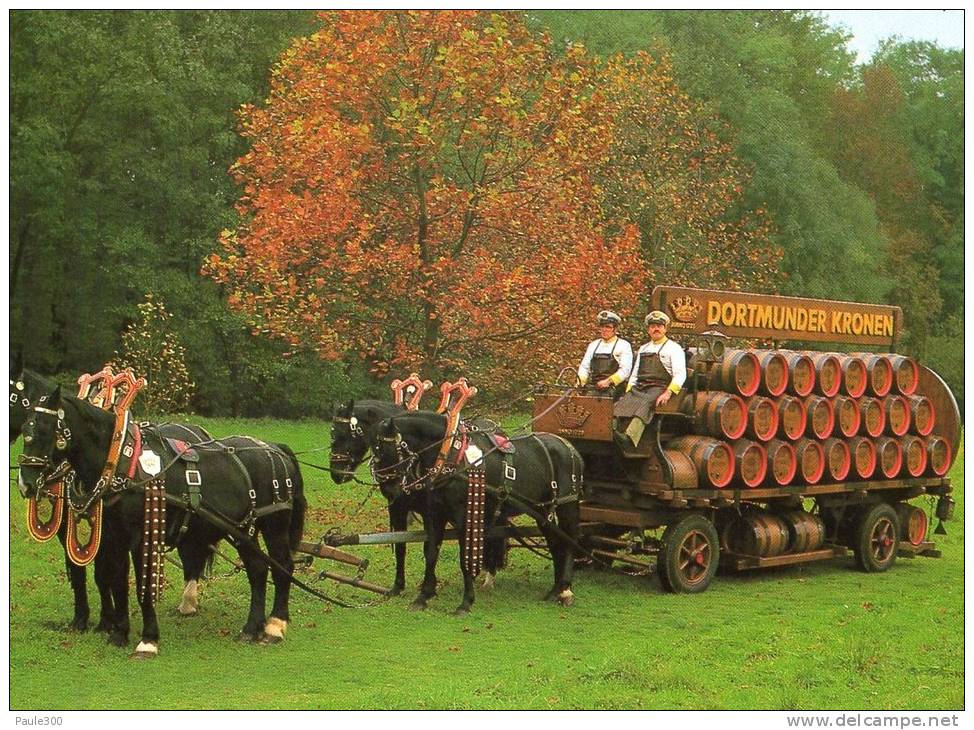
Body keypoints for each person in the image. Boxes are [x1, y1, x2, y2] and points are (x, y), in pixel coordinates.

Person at [613, 310, 686, 446]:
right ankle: (611, 432)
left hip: (659, 388)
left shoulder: (674, 348)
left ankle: (630, 438)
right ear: (648, 330)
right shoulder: (643, 348)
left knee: (645, 404)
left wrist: (668, 393)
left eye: (659, 326)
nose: (656, 329)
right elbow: (635, 373)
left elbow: (680, 374)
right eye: (653, 326)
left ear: (665, 328)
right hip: (640, 386)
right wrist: (629, 390)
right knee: (619, 405)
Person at [577, 310, 633, 397]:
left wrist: (609, 381)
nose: (604, 330)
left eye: (608, 327)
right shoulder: (593, 345)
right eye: (602, 327)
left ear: (615, 329)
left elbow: (625, 370)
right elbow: (585, 366)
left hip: (614, 389)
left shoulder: (623, 345)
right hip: (594, 386)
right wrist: (581, 381)